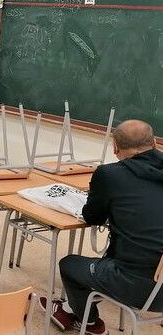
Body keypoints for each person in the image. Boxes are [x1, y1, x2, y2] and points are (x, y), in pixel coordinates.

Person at [41, 120, 163, 335]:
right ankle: (73, 307)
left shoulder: (109, 175)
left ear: (115, 148)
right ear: (154, 143)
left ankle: (90, 323)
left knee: (69, 265)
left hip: (138, 287)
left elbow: (93, 217)